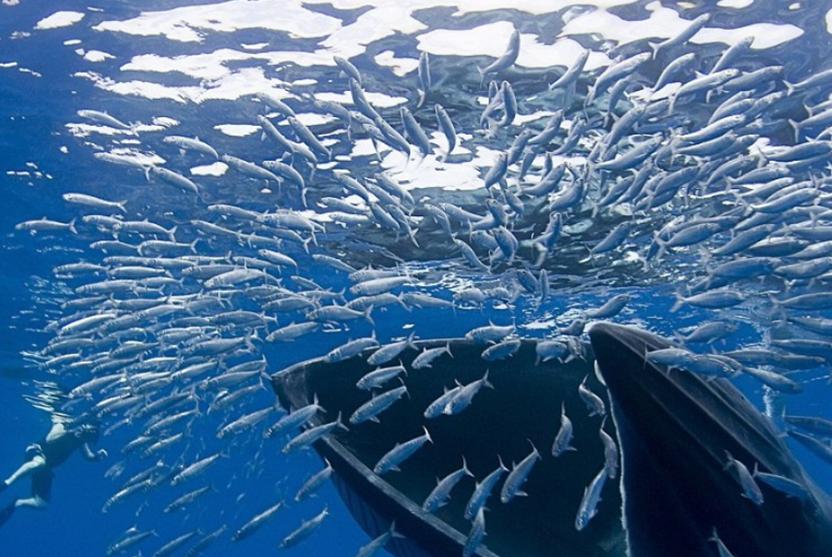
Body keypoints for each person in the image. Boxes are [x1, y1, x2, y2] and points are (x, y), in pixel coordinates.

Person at [0, 418, 107, 527]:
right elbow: (49, 439)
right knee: (39, 463)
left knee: (41, 503)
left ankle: (17, 503)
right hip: (37, 451)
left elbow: (88, 456)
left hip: (46, 467)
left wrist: (97, 456)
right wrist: (69, 431)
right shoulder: (62, 425)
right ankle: (6, 484)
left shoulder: (81, 441)